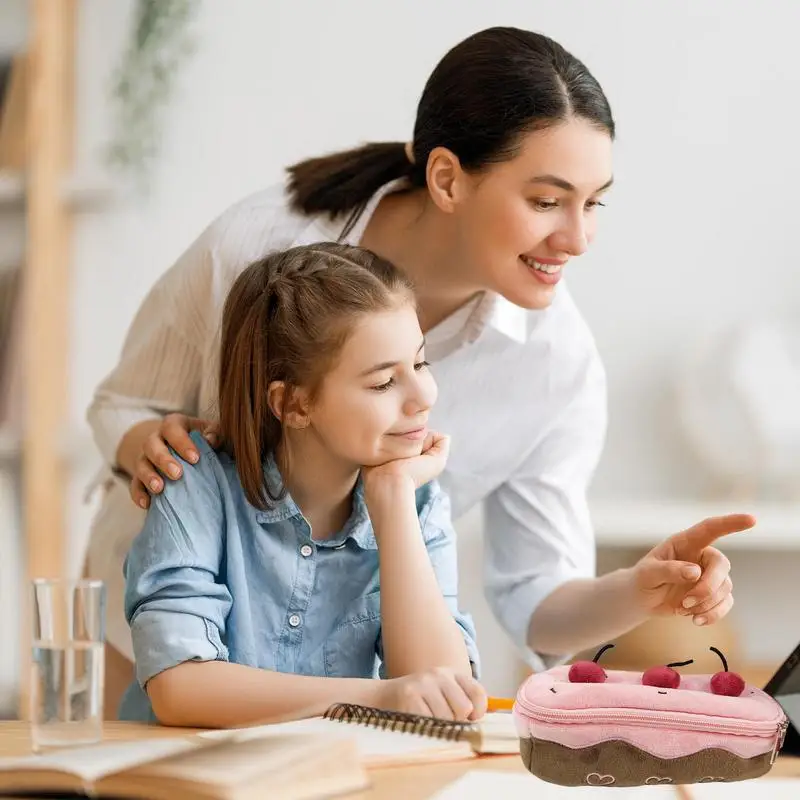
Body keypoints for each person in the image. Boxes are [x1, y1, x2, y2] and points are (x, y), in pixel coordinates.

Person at [87, 25, 753, 714]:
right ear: (446, 178)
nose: (579, 239)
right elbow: (123, 404)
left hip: (342, 696)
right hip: (160, 638)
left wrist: (641, 588)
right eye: (547, 201)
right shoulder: (261, 249)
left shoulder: (556, 366)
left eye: (596, 202)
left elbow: (534, 595)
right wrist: (153, 450)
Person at [119, 242, 485, 726]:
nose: (423, 397)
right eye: (382, 383)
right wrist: (378, 697)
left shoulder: (415, 500)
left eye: (419, 364)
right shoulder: (196, 485)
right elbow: (180, 686)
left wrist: (392, 499)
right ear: (292, 404)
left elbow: (445, 695)